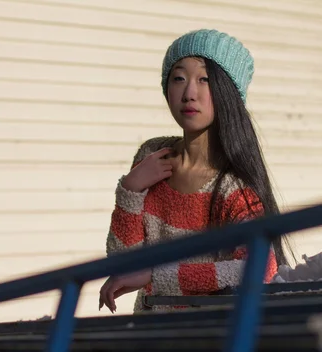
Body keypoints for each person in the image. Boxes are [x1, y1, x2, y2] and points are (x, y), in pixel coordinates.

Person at [98, 28, 291, 315]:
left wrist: (156, 275)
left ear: (227, 93)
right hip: (151, 340)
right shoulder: (151, 156)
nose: (189, 93)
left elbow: (259, 267)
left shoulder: (231, 187)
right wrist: (131, 189)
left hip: (208, 344)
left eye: (205, 80)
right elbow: (124, 264)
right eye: (178, 78)